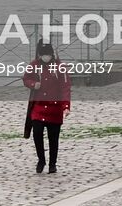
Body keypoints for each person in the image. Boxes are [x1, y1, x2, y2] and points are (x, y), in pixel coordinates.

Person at [23, 41, 71, 174]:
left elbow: (65, 87)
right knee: (37, 133)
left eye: (48, 54)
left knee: (53, 137)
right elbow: (26, 78)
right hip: (38, 106)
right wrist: (33, 84)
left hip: (54, 107)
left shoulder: (60, 67)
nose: (46, 57)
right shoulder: (34, 65)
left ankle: (52, 163)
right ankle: (41, 159)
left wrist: (66, 106)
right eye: (43, 54)